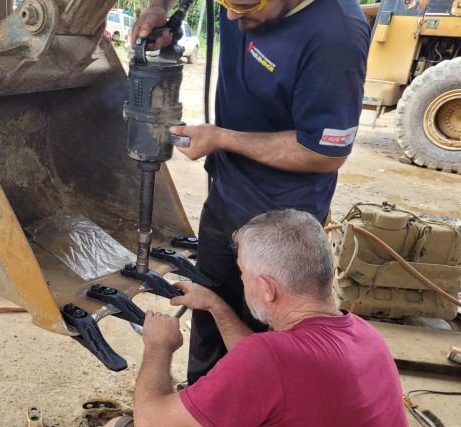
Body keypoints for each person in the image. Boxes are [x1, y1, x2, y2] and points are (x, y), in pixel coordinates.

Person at [130, 0, 371, 383]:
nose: (228, 16)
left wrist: (223, 138)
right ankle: (205, 404)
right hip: (227, 192)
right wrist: (159, 8)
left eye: (242, 5)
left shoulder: (335, 35)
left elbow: (323, 152)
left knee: (268, 333)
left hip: (282, 216)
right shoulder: (240, 6)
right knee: (211, 307)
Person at [91, 209, 409, 427]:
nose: (241, 280)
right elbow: (268, 370)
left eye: (242, 273)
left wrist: (158, 347)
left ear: (268, 289)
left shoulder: (270, 358)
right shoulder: (367, 336)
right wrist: (216, 305)